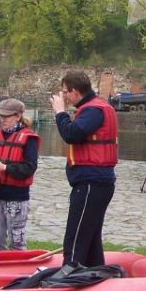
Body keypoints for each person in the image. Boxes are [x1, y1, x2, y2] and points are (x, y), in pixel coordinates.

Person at [49, 70, 117, 274]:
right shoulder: (94, 108)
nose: (65, 97)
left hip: (91, 182)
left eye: (65, 92)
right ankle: (95, 272)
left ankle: (69, 273)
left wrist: (60, 112)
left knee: (76, 235)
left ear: (75, 91)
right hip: (95, 181)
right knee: (91, 236)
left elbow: (72, 134)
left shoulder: (93, 110)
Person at [0, 98, 40, 251]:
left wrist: (5, 167)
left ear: (17, 116)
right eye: (1, 116)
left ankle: (21, 271)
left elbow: (29, 168)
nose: (2, 120)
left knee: (17, 244)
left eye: (6, 116)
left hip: (16, 199)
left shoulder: (28, 138)